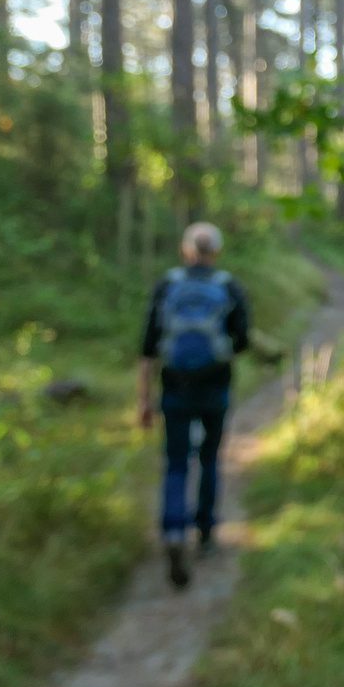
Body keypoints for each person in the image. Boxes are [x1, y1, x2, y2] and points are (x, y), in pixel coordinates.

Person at [138, 222, 250, 589]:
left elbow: (148, 347)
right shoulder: (228, 287)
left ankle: (173, 531)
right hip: (215, 386)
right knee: (208, 459)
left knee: (175, 462)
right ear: (215, 251)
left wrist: (143, 400)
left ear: (186, 250)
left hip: (174, 387)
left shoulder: (167, 285)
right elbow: (242, 340)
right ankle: (205, 534)